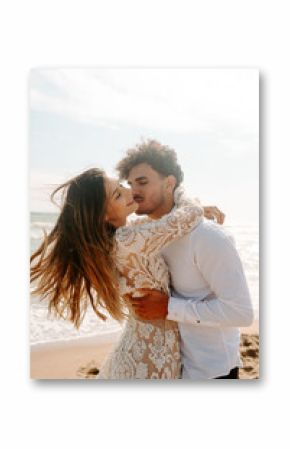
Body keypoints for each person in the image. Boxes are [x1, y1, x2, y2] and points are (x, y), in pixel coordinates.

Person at [30, 168, 207, 379]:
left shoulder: (117, 239)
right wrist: (175, 188)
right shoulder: (128, 240)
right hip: (150, 359)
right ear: (103, 215)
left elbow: (167, 223)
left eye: (121, 186)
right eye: (117, 194)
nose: (128, 191)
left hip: (145, 349)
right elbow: (190, 216)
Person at [116, 140, 254, 380]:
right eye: (130, 184)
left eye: (142, 182)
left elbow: (241, 312)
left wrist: (168, 307)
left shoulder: (207, 237)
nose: (133, 191)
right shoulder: (145, 235)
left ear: (169, 184)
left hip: (211, 370)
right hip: (171, 369)